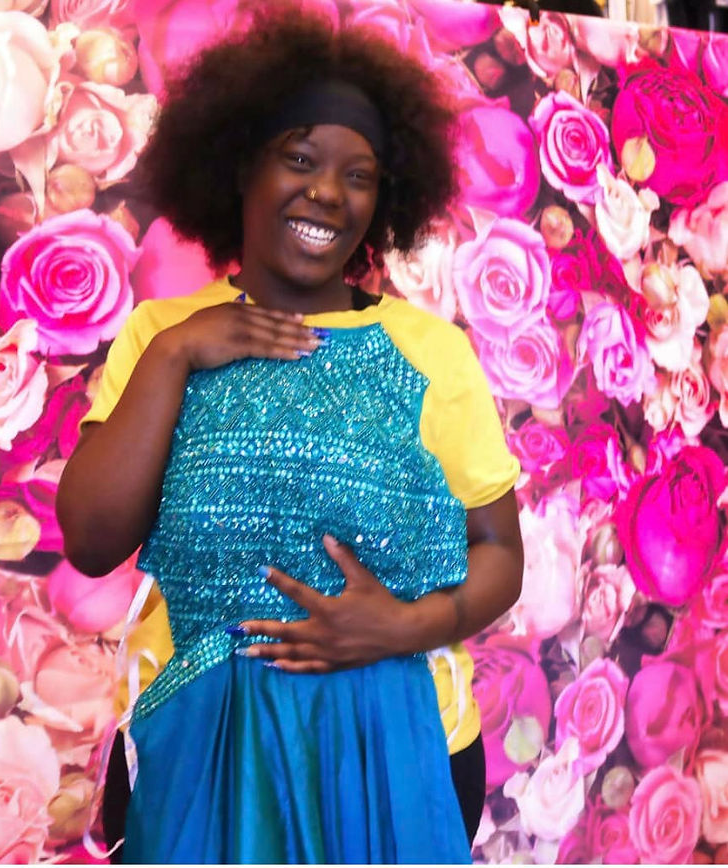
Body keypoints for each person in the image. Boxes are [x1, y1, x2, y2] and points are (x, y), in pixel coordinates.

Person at [57, 5, 524, 862]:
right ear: (242, 165)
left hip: (398, 755)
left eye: (359, 175)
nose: (328, 193)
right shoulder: (161, 333)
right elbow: (91, 541)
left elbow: (498, 549)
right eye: (300, 159)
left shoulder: (432, 352)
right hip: (196, 752)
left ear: (385, 198)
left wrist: (398, 628)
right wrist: (175, 355)